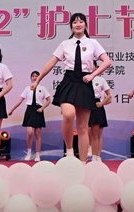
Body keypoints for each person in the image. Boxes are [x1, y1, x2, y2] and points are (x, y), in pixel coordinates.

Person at [32, 13, 112, 164]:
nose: (78, 24)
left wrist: (92, 75)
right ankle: (69, 150)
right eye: (75, 22)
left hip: (85, 82)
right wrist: (38, 81)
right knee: (68, 114)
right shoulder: (65, 44)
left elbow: (107, 61)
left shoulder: (92, 43)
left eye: (81, 22)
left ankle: (82, 163)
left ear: (85, 25)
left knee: (83, 127)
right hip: (69, 82)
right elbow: (51, 63)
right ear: (71, 26)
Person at [8, 70, 52, 162]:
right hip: (30, 110)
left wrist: (42, 108)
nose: (34, 78)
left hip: (38, 110)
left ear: (39, 77)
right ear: (31, 78)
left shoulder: (42, 88)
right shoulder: (27, 89)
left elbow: (48, 100)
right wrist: (12, 110)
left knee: (38, 134)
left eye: (36, 76)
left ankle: (38, 155)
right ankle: (28, 153)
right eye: (33, 76)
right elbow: (20, 100)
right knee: (30, 133)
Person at [88, 64, 112, 162]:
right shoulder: (83, 78)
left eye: (92, 65)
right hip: (86, 105)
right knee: (88, 132)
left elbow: (109, 95)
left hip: (97, 106)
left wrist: (102, 103)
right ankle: (90, 154)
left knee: (97, 133)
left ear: (96, 67)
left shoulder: (101, 80)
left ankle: (96, 156)